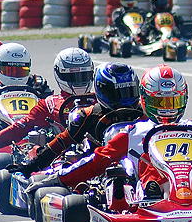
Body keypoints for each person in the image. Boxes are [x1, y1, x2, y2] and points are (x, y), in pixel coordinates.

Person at [29, 64, 192, 201]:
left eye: (172, 102)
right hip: (144, 195)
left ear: (183, 100)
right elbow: (98, 160)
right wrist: (60, 180)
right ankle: (154, 191)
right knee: (146, 170)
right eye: (161, 102)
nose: (167, 109)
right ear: (145, 100)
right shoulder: (134, 132)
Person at [8, 61, 145, 176]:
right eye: (117, 93)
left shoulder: (143, 112)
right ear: (102, 90)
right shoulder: (89, 115)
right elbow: (61, 142)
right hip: (98, 167)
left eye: (128, 91)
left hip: (141, 161)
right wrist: (32, 166)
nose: (124, 99)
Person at [0, 47, 94, 157]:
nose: (79, 82)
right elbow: (17, 129)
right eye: (72, 77)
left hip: (98, 151)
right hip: (62, 154)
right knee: (34, 151)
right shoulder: (49, 105)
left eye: (84, 76)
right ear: (59, 74)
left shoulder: (100, 101)